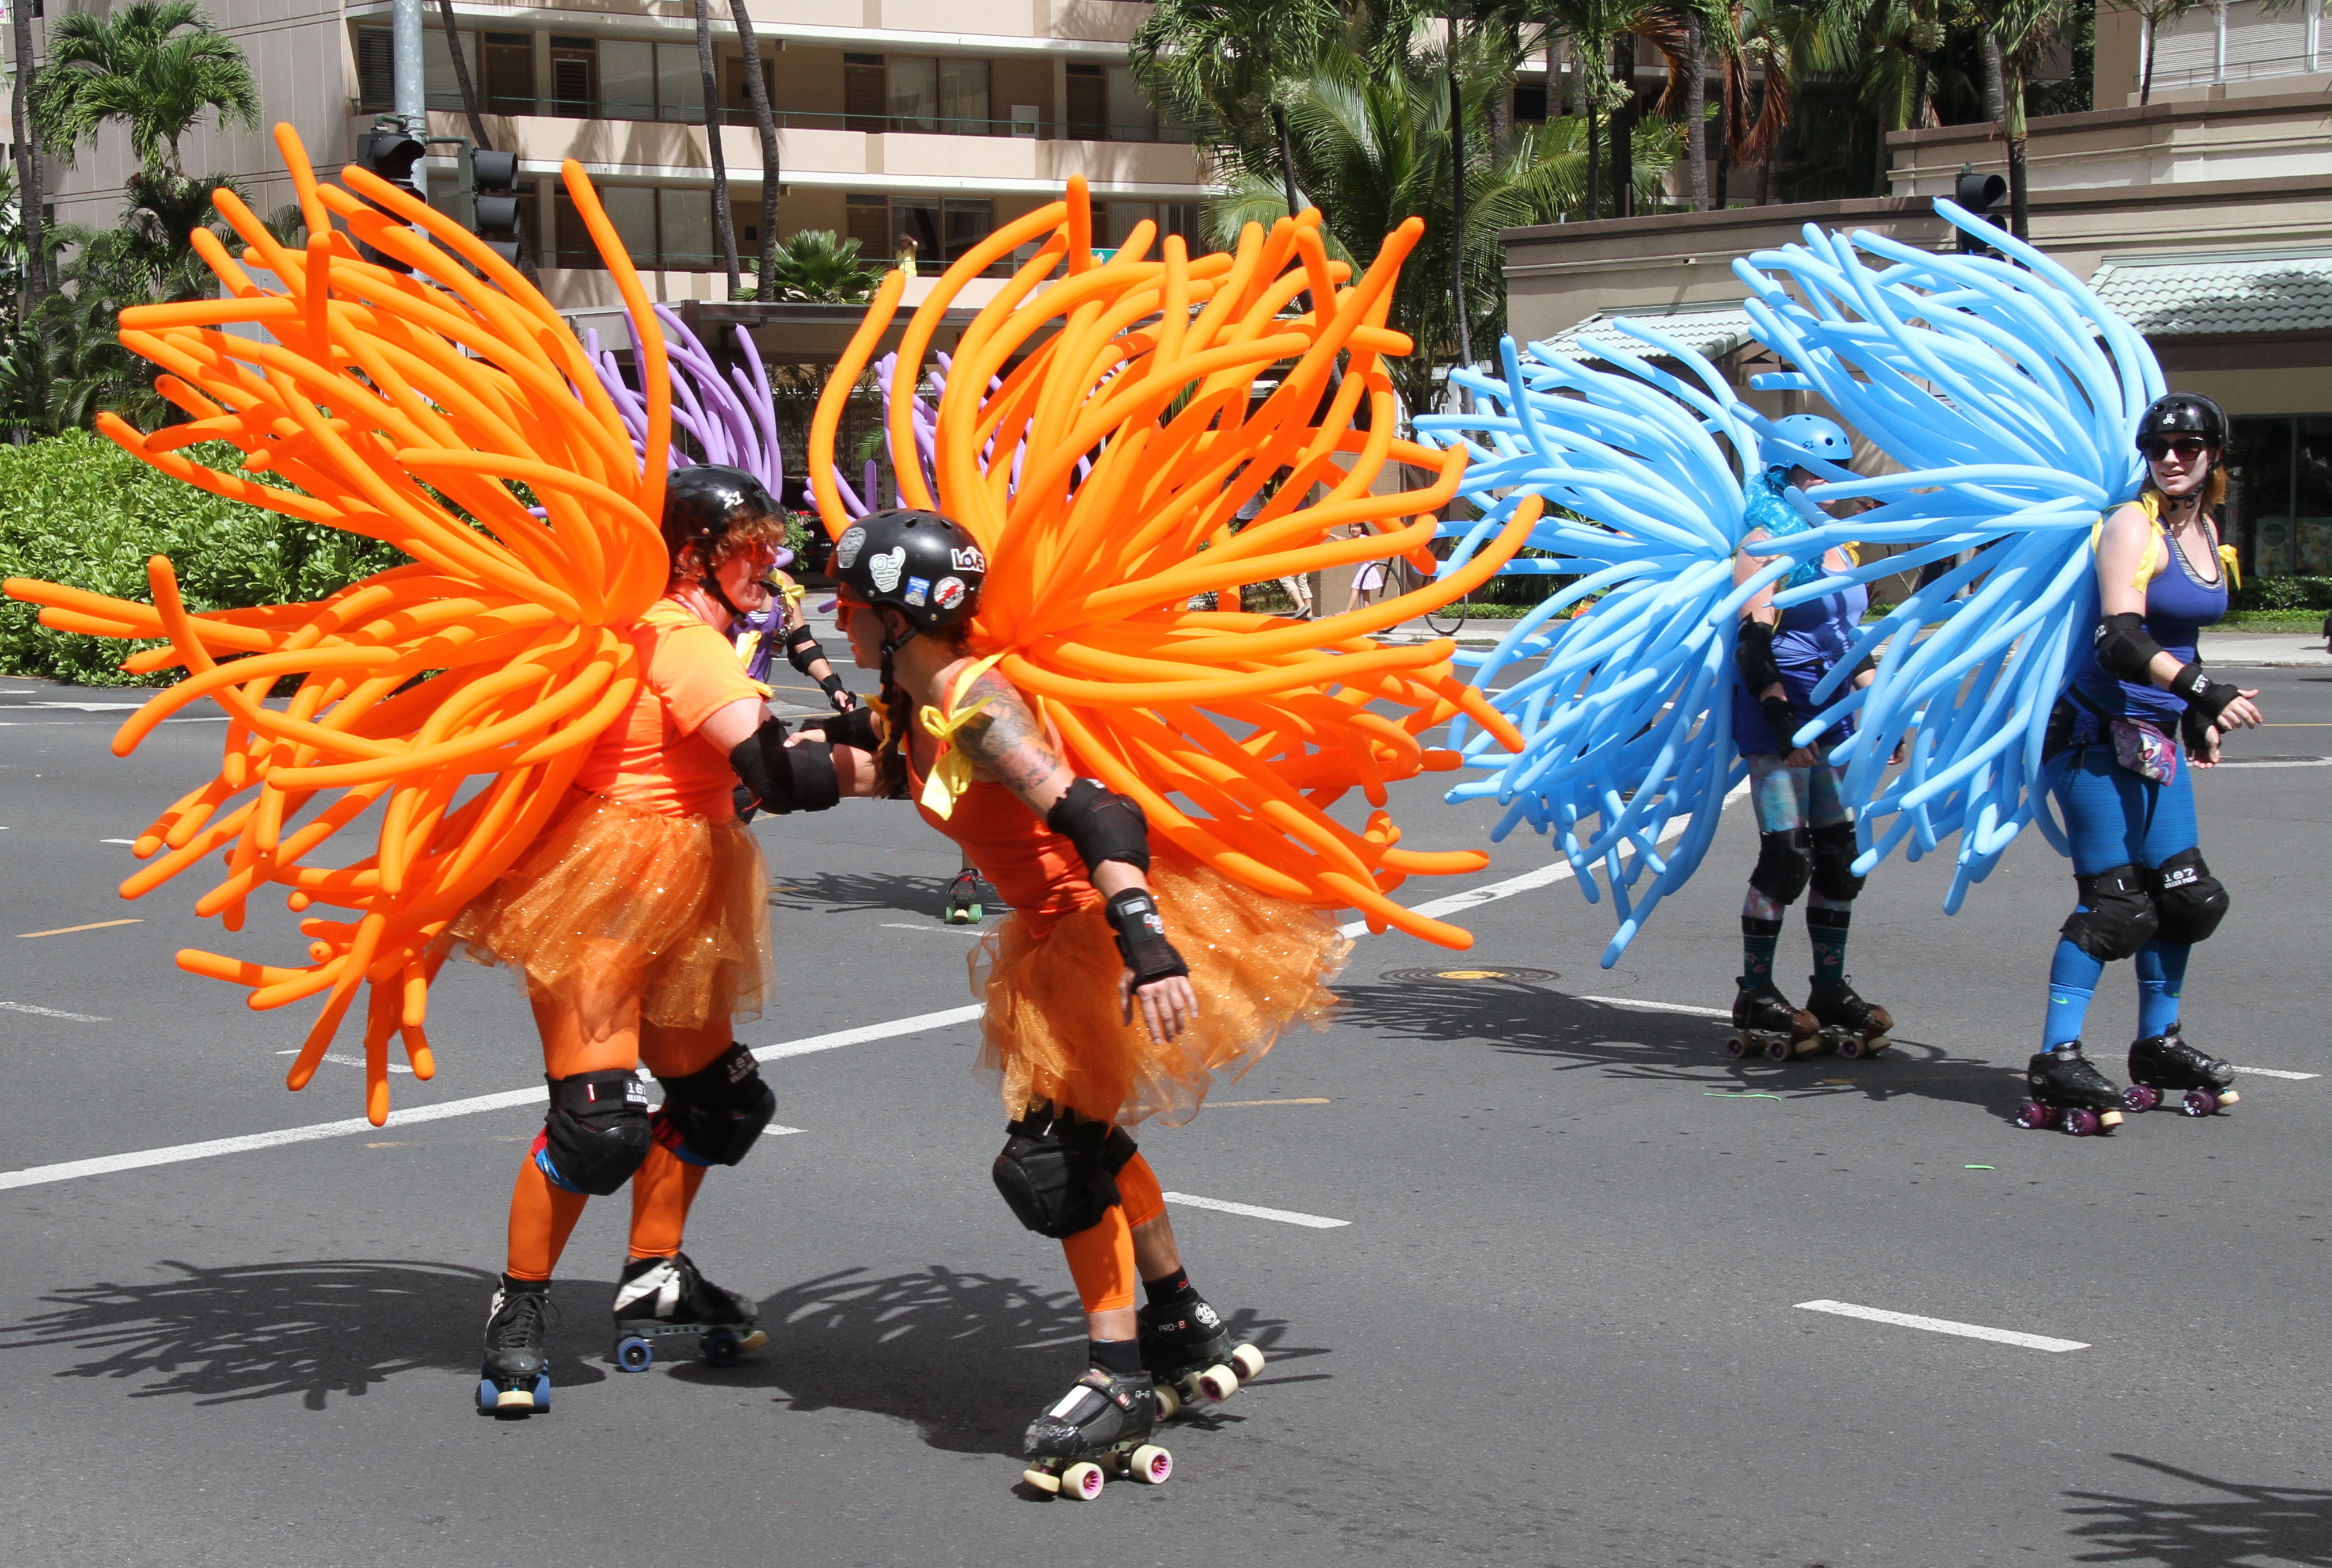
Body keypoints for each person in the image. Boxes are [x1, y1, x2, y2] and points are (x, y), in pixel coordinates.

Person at [781, 508, 1346, 1490]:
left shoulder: (968, 692)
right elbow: (922, 778)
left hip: (1097, 926)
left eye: (855, 598)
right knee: (1090, 1143)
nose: (841, 610)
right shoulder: (919, 701)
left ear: (902, 617)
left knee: (1050, 1165)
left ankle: (1116, 1373)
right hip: (1051, 937)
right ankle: (1177, 1319)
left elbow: (1092, 809)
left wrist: (1143, 939)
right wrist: (780, 769)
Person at [442, 466, 790, 1413]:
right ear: (691, 557)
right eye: (748, 547)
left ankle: (655, 1270)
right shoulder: (681, 640)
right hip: (606, 893)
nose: (768, 562)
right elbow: (773, 764)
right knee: (597, 1123)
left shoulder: (682, 629)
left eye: (768, 543)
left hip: (684, 888)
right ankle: (516, 1311)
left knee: (717, 1102)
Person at [2017, 392, 2262, 1132]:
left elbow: (2181, 632)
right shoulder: (2132, 525)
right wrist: (2201, 691)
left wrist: (2192, 714)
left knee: (2187, 899)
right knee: (2117, 907)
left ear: (2214, 454)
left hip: (2152, 742)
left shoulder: (2204, 528)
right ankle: (2056, 1058)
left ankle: (2157, 1045)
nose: (2173, 457)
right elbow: (2118, 639)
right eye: (2159, 446)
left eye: (2188, 445)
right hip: (2094, 737)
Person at [1726, 414, 1896, 1061]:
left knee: (1837, 854)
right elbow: (1752, 643)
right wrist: (1780, 720)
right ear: (1785, 476)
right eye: (1814, 474)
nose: (1829, 485)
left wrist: (1881, 708)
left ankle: (1827, 989)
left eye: (1835, 473)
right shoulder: (1765, 542)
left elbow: (1849, 639)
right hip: (1780, 717)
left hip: (1832, 714)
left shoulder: (1833, 547)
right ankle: (1757, 991)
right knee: (1786, 853)